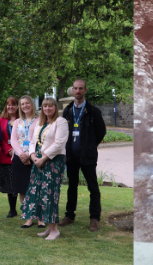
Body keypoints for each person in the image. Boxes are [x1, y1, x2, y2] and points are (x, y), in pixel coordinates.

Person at [22, 96, 69, 241]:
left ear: (55, 107)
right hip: (39, 162)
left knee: (50, 195)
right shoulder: (40, 123)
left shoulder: (60, 122)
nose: (47, 109)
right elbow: (32, 142)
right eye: (45, 106)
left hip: (53, 162)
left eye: (51, 106)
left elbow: (59, 143)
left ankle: (55, 230)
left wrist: (44, 158)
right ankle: (49, 227)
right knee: (40, 194)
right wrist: (33, 156)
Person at [62, 79, 106, 232]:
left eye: (81, 88)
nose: (78, 91)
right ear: (72, 90)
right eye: (75, 88)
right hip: (71, 156)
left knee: (93, 187)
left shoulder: (93, 111)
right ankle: (69, 216)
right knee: (71, 187)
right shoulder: (67, 111)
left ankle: (94, 218)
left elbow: (101, 132)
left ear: (85, 90)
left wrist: (90, 146)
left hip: (87, 156)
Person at [9, 97, 39, 228]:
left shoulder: (39, 120)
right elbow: (13, 139)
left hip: (34, 157)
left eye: (27, 103)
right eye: (22, 104)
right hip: (19, 157)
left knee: (36, 188)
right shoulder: (17, 121)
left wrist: (28, 155)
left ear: (32, 104)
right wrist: (21, 154)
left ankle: (39, 217)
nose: (25, 106)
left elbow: (38, 138)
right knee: (22, 189)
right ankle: (28, 217)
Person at [0, 97, 19, 219]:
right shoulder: (1, 120)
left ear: (17, 106)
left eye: (13, 104)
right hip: (5, 156)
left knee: (18, 182)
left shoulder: (22, 120)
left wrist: (16, 150)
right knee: (9, 184)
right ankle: (12, 209)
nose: (11, 107)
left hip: (20, 155)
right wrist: (8, 150)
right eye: (8, 105)